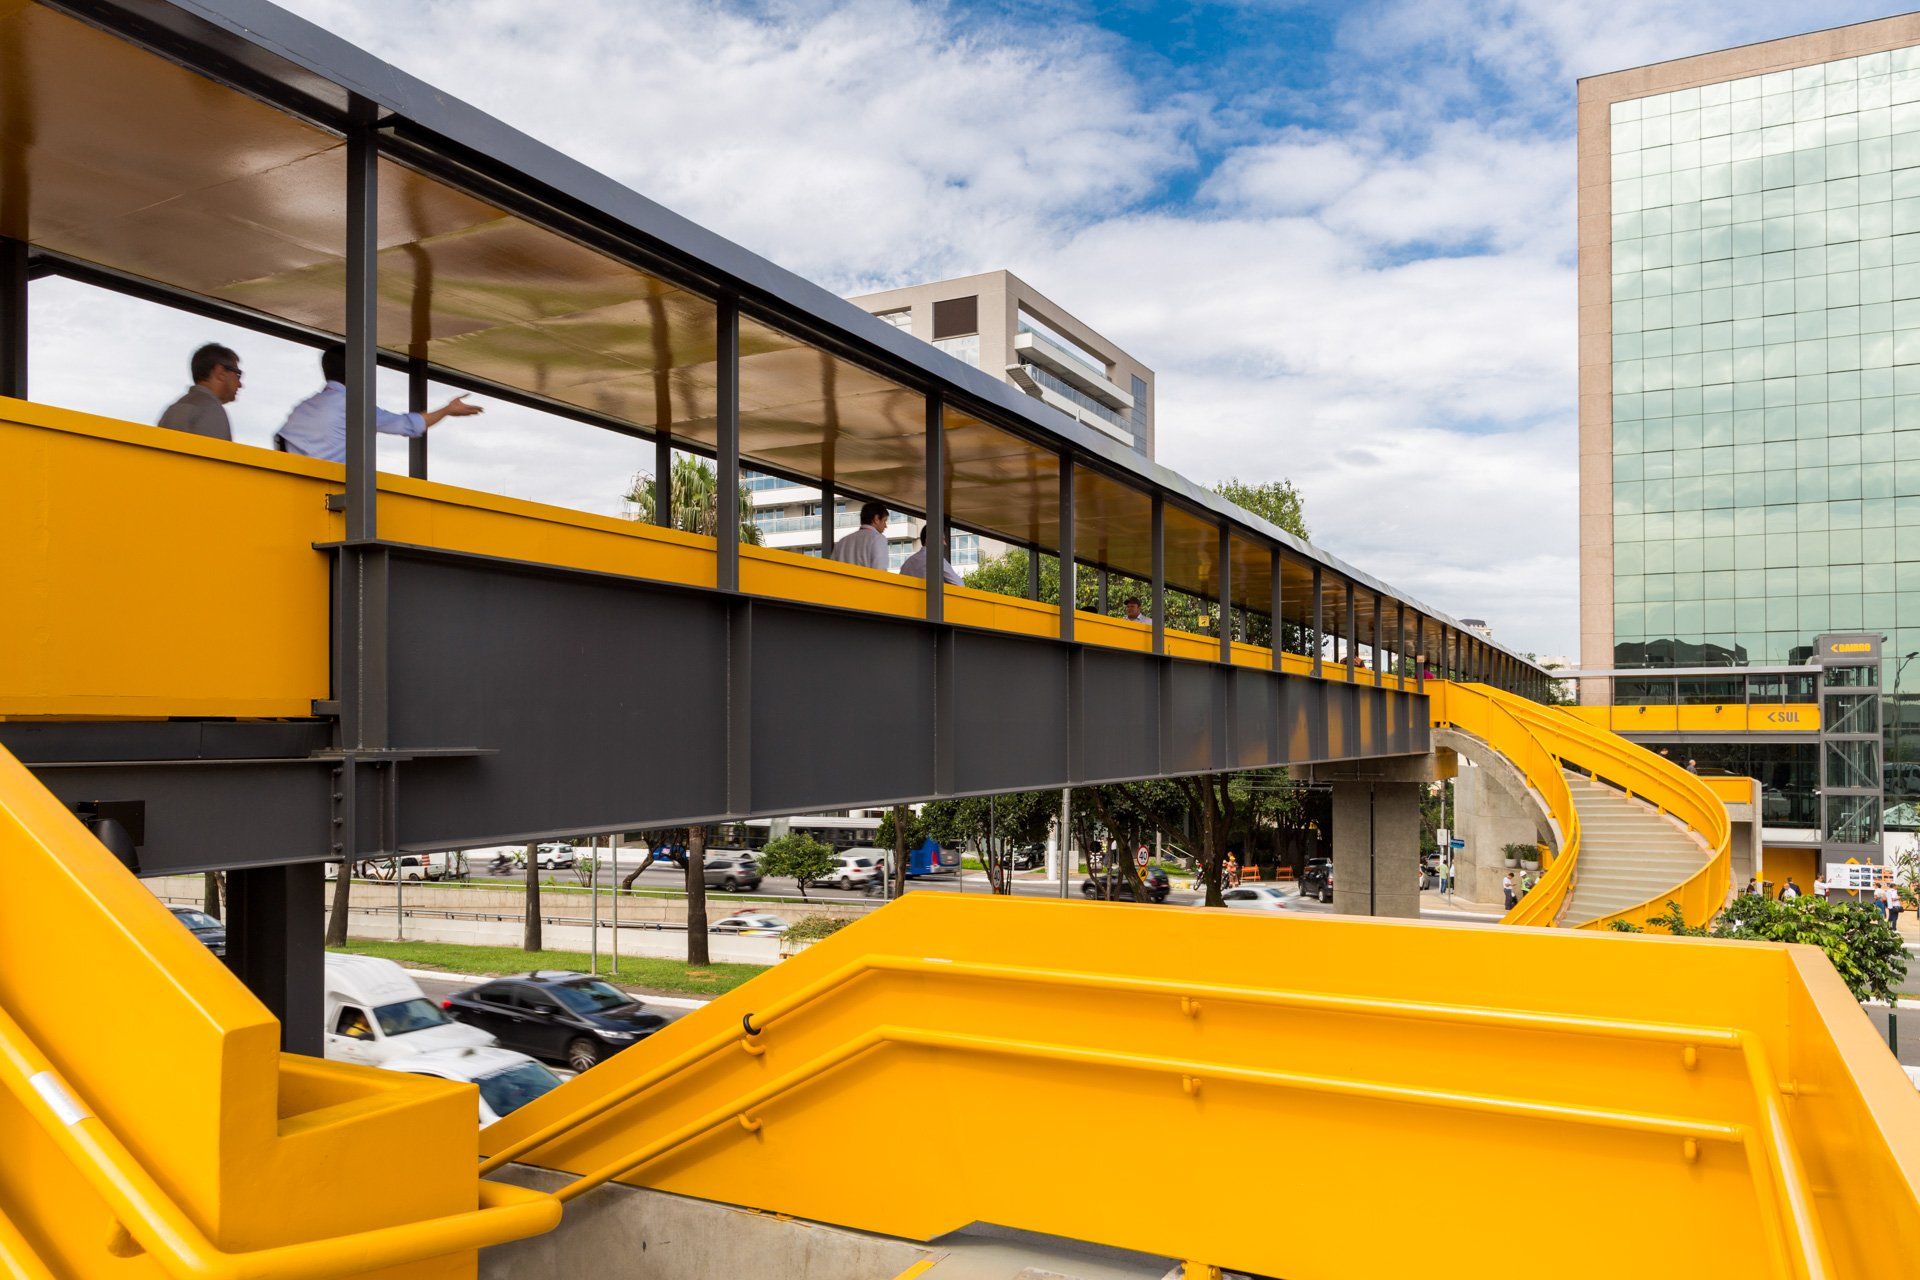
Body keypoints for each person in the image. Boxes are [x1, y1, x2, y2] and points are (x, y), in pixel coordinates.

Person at [275, 342, 480, 460]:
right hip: (333, 495)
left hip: (298, 494)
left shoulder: (302, 408)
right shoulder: (351, 404)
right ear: (356, 371)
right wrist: (447, 410)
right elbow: (407, 425)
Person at [157, 342, 242, 440]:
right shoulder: (211, 410)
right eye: (238, 374)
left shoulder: (172, 410)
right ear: (220, 373)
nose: (240, 384)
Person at [828, 501, 890, 571]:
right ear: (876, 519)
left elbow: (832, 569)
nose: (885, 526)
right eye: (884, 520)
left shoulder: (842, 542)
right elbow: (880, 571)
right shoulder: (878, 539)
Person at [897, 527, 962, 585]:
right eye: (942, 539)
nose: (945, 543)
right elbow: (959, 584)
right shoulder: (936, 559)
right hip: (933, 598)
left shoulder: (907, 564)